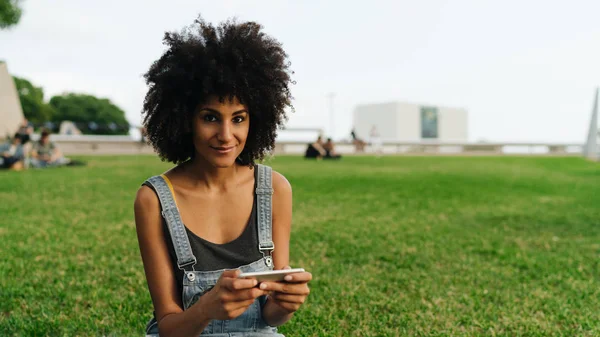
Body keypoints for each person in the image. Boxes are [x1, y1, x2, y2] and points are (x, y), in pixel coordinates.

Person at [134, 17, 312, 337]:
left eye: (239, 118)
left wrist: (284, 304)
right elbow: (169, 327)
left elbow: (268, 317)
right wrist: (207, 308)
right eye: (210, 117)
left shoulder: (275, 189)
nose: (226, 135)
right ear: (184, 119)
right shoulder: (154, 199)